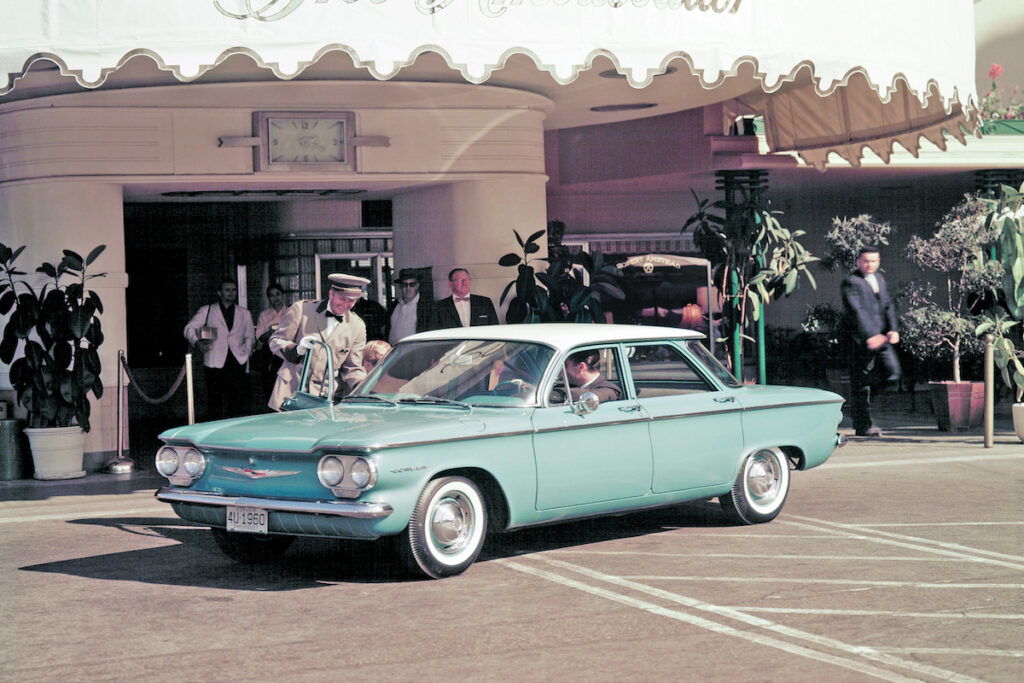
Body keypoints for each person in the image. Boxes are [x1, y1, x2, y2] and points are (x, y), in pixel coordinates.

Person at [267, 273, 369, 411]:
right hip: (290, 392)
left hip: (326, 399)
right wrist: (297, 349)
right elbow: (275, 340)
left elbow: (353, 368)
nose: (346, 305)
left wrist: (365, 388)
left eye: (352, 301)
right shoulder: (302, 309)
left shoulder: (357, 326)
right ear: (331, 294)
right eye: (342, 299)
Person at [840, 246, 900, 437]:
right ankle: (863, 425)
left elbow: (888, 305)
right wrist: (869, 336)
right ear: (858, 261)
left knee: (892, 373)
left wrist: (893, 329)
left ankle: (859, 404)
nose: (870, 264)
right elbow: (857, 311)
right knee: (861, 384)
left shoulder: (879, 279)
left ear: (878, 261)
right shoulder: (851, 282)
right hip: (860, 341)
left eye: (873, 261)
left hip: (882, 338)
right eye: (866, 261)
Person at [183, 278, 255, 421]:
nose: (231, 293)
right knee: (214, 402)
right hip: (214, 361)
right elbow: (188, 329)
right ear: (219, 292)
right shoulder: (207, 310)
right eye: (227, 290)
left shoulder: (244, 313)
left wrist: (246, 352)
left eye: (233, 290)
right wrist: (198, 343)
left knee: (236, 402)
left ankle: (235, 434)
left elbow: (250, 336)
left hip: (237, 361)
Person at [254, 282, 287, 401]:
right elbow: (259, 336)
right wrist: (270, 332)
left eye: (278, 294)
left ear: (282, 295)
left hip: (286, 354)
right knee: (269, 386)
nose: (275, 298)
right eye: (272, 295)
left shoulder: (291, 312)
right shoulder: (264, 315)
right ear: (268, 298)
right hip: (269, 355)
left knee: (285, 387)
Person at [434, 267, 498, 329]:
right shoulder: (439, 306)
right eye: (460, 280)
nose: (465, 283)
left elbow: (495, 328)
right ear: (450, 284)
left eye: (467, 279)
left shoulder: (485, 302)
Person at [552, 349, 622, 404]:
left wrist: (551, 393)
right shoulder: (572, 385)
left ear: (581, 367)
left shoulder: (609, 390)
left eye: (565, 366)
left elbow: (583, 395)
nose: (561, 370)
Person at [387, 268, 436, 344]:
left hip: (415, 351)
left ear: (417, 285)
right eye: (404, 285)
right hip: (393, 350)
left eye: (412, 285)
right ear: (400, 287)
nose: (408, 288)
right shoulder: (394, 305)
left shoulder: (427, 306)